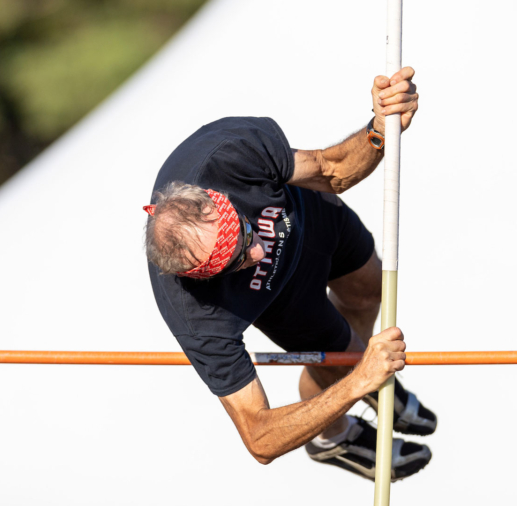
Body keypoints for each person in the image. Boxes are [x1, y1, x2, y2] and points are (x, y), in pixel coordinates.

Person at [142, 67, 435, 481]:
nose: (257, 251)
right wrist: (356, 382)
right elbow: (259, 439)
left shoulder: (228, 151)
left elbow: (331, 170)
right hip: (279, 299)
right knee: (346, 363)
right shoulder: (195, 313)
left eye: (244, 232)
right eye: (238, 260)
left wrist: (380, 129)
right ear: (200, 277)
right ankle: (335, 435)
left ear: (214, 201)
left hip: (309, 216)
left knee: (371, 292)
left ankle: (358, 371)